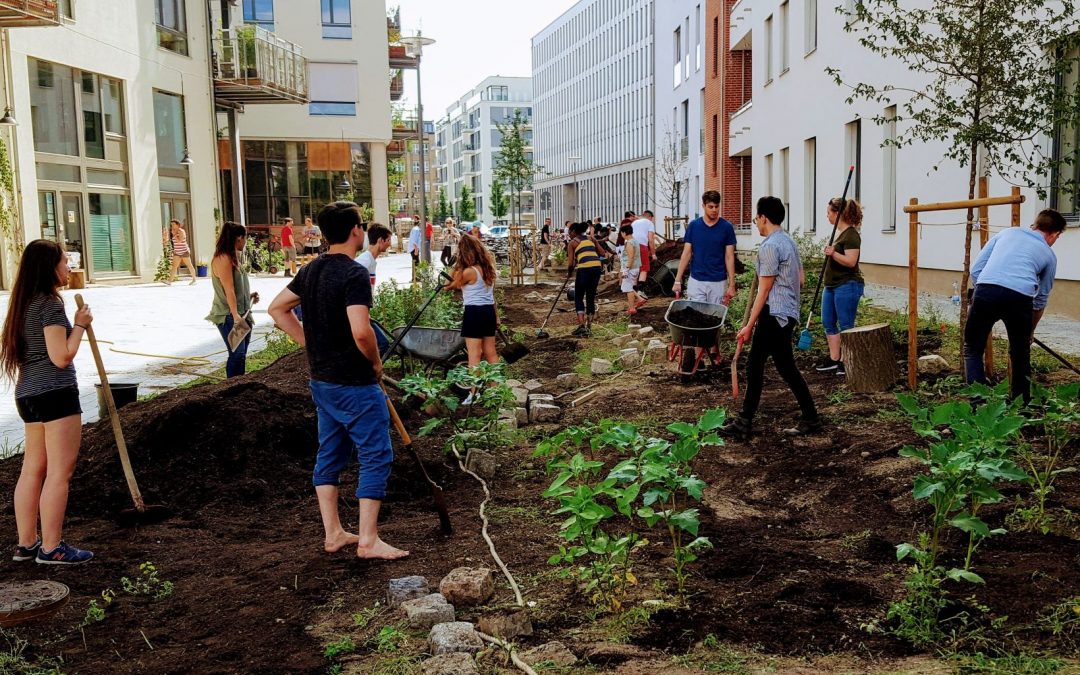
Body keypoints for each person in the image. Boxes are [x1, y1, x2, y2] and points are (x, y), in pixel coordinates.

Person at [267, 201, 407, 561]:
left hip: (323, 381)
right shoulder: (354, 274)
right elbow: (362, 332)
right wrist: (375, 364)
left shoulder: (311, 270)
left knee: (330, 452)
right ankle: (368, 540)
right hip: (354, 383)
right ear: (356, 230)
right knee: (376, 454)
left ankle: (334, 533)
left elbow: (277, 308)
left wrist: (309, 344)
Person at [1, 240, 94, 564]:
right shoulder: (49, 304)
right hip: (55, 394)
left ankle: (27, 544)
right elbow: (61, 357)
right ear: (49, 267)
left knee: (32, 470)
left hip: (28, 395)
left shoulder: (22, 304)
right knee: (58, 473)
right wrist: (80, 325)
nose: (69, 267)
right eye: (65, 261)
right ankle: (52, 547)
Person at [720, 197, 822, 440]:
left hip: (774, 314)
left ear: (764, 217)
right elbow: (800, 280)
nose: (755, 222)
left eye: (756, 218)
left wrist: (748, 325)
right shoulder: (789, 242)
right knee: (785, 367)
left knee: (755, 365)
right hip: (788, 313)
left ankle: (744, 421)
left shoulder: (769, 247)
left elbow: (763, 291)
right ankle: (810, 417)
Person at [964, 209, 1065, 402]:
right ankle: (1021, 407)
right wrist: (1029, 332)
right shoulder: (1050, 256)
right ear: (1054, 234)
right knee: (1020, 354)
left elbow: (976, 270)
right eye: (1057, 237)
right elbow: (1040, 300)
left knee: (973, 349)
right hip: (1020, 298)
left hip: (986, 290)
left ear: (1035, 225)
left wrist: (984, 293)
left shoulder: (1007, 233)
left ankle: (979, 405)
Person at [816, 198, 865, 376]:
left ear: (838, 214)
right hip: (831, 285)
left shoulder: (852, 235)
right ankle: (834, 359)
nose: (827, 216)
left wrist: (833, 253)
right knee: (828, 322)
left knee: (846, 325)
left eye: (829, 212)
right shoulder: (840, 234)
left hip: (847, 284)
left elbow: (851, 262)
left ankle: (847, 362)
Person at [206, 222, 257, 378]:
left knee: (241, 354)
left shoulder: (233, 257)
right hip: (228, 314)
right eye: (245, 238)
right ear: (239, 237)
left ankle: (238, 385)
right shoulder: (223, 259)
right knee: (237, 353)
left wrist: (248, 296)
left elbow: (235, 288)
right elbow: (228, 289)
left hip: (242, 312)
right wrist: (235, 315)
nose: (245, 242)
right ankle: (231, 387)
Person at [673, 191, 738, 306]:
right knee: (696, 317)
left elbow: (729, 256)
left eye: (717, 206)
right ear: (703, 206)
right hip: (697, 281)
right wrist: (678, 280)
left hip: (718, 281)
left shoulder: (726, 227)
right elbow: (686, 254)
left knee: (714, 318)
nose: (714, 210)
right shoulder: (694, 226)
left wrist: (732, 285)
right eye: (710, 207)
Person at [446, 234, 500, 371]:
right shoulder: (488, 270)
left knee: (474, 354)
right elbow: (491, 297)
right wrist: (497, 316)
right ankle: (496, 388)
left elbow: (447, 286)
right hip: (488, 312)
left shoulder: (469, 272)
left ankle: (474, 392)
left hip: (474, 313)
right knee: (491, 353)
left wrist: (453, 265)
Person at [567, 221, 604, 336]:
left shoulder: (572, 243)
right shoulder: (591, 239)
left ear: (573, 232)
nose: (569, 235)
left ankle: (582, 326)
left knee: (578, 296)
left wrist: (569, 273)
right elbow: (602, 252)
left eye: (569, 232)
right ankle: (589, 327)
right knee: (590, 296)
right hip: (597, 268)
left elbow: (570, 263)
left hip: (584, 270)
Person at [620, 223, 645, 315]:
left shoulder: (629, 243)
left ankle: (631, 308)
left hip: (630, 268)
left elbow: (630, 257)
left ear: (624, 232)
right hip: (635, 268)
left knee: (628, 289)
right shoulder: (635, 241)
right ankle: (640, 299)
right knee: (629, 286)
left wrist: (626, 269)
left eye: (621, 233)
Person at [357, 223, 393, 287]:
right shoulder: (364, 262)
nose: (390, 244)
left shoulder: (370, 260)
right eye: (388, 240)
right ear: (380, 240)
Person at [166, 219, 197, 285]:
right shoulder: (173, 231)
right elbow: (174, 242)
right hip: (177, 252)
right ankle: (169, 281)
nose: (172, 226)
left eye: (173, 224)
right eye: (171, 225)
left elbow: (179, 241)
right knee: (174, 266)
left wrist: (174, 235)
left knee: (189, 265)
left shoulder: (181, 231)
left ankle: (194, 279)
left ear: (177, 225)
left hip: (184, 251)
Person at [631, 210, 657, 284]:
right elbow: (651, 240)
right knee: (644, 268)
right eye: (652, 218)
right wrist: (653, 254)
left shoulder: (634, 223)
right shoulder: (650, 223)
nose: (652, 220)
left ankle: (633, 290)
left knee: (634, 268)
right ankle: (640, 290)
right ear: (649, 216)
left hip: (631, 245)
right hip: (641, 245)